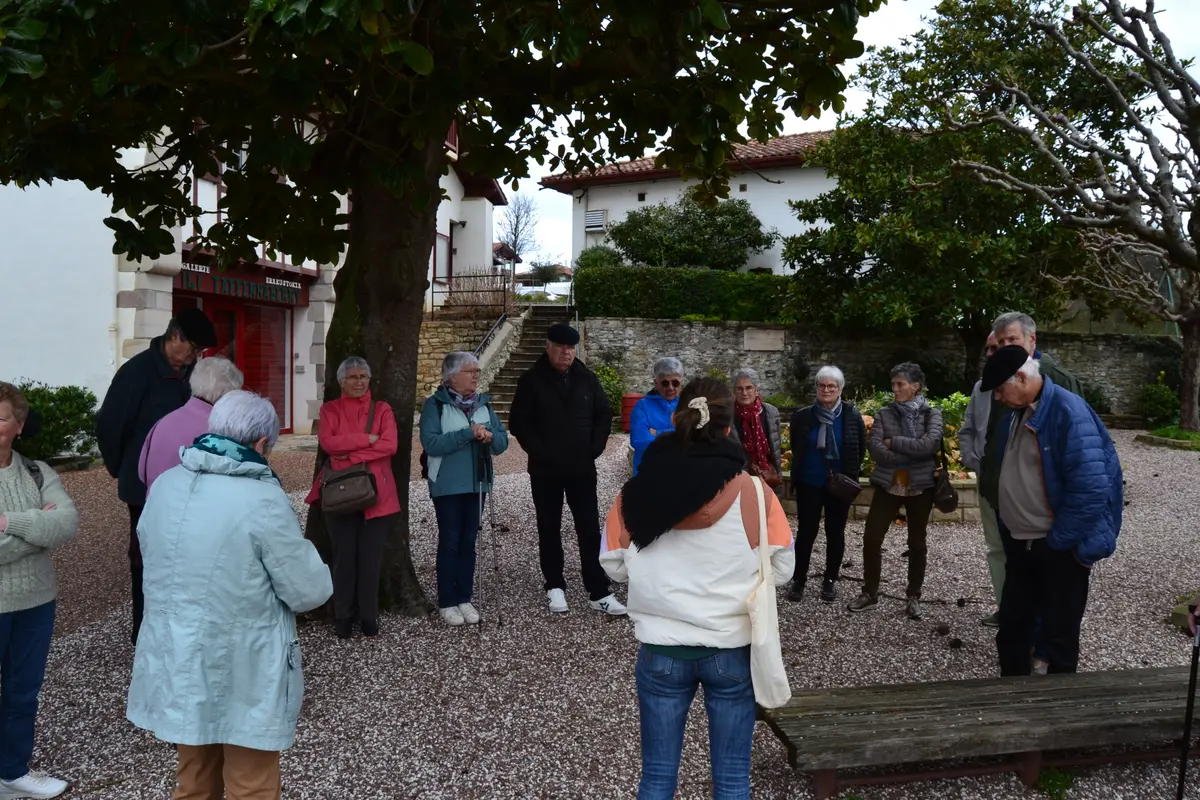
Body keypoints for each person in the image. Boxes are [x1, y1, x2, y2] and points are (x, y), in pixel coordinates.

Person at [127, 390, 332, 800]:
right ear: (261, 444)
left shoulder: (166, 484)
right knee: (251, 783)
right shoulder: (261, 498)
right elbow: (308, 590)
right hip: (244, 661)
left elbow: (150, 553)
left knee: (194, 775)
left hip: (178, 654)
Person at [599, 377, 795, 800]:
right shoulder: (755, 494)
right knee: (731, 780)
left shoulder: (634, 492)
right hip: (729, 648)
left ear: (677, 419)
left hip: (662, 649)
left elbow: (613, 566)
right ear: (729, 428)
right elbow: (781, 568)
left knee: (656, 778)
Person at [981, 346, 1122, 676]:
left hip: (1055, 547)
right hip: (1022, 542)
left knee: (1059, 637)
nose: (999, 398)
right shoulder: (1019, 410)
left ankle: (1061, 715)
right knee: (1013, 629)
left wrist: (1058, 543)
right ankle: (1012, 706)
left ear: (1021, 376)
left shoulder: (1068, 412)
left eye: (1001, 389)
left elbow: (1091, 489)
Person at [96, 307, 217, 645]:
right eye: (192, 348)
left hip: (191, 481)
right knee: (146, 556)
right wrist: (123, 469)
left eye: (199, 352)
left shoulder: (193, 373)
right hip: (145, 484)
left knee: (188, 553)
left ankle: (180, 628)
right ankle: (144, 629)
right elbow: (109, 426)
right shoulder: (136, 372)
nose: (194, 356)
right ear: (173, 336)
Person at [508, 323, 624, 616]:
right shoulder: (531, 381)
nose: (566, 353)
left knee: (588, 528)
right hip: (545, 469)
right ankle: (554, 585)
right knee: (549, 527)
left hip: (582, 468)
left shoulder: (587, 379)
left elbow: (603, 415)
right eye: (561, 347)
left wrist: (594, 449)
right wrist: (541, 452)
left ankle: (597, 590)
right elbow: (519, 423)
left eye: (571, 348)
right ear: (548, 347)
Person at [0, 383, 79, 800]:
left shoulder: (38, 472)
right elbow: (48, 528)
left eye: (0, 417)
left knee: (22, 691)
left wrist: (8, 523)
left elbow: (65, 524)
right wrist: (36, 528)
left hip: (35, 602)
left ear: (19, 424)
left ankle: (11, 772)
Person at [305, 357, 399, 639]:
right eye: (353, 377)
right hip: (341, 494)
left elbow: (390, 445)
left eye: (363, 377)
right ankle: (343, 616)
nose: (359, 382)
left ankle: (369, 616)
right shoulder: (330, 410)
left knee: (370, 561)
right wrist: (368, 440)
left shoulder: (382, 410)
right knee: (344, 558)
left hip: (378, 496)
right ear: (342, 381)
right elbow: (330, 444)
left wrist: (352, 455)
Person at [419, 351, 509, 627]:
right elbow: (431, 443)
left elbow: (503, 443)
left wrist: (491, 436)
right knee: (450, 540)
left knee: (469, 541)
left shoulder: (484, 404)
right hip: (447, 484)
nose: (475, 376)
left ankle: (465, 597)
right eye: (470, 371)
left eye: (476, 371)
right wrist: (468, 433)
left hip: (478, 482)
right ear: (452, 376)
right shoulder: (434, 406)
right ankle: (447, 600)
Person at [848, 363, 943, 620]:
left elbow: (930, 445)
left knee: (917, 543)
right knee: (872, 537)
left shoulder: (931, 414)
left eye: (900, 384)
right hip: (889, 484)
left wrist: (896, 443)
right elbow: (877, 449)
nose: (895, 389)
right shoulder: (884, 413)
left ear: (916, 387)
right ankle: (870, 592)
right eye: (893, 384)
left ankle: (913, 596)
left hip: (920, 486)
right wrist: (911, 450)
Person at [787, 366, 866, 604]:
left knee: (835, 532)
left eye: (832, 386)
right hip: (809, 482)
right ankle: (799, 579)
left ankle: (831, 579)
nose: (826, 390)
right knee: (806, 532)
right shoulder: (803, 416)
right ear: (816, 388)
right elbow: (797, 446)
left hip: (839, 485)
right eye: (822, 385)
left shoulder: (852, 416)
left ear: (840, 389)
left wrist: (849, 474)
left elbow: (859, 448)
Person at [138, 357, 244, 493]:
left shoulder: (163, 422)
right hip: (191, 511)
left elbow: (142, 473)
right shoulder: (220, 431)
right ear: (226, 394)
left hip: (155, 507)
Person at [958, 333, 1002, 627]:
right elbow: (968, 429)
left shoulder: (1039, 384)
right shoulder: (981, 387)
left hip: (1021, 487)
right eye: (988, 347)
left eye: (996, 347)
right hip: (988, 482)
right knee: (996, 548)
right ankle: (1005, 607)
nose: (989, 352)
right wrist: (975, 462)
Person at [731, 367, 784, 493]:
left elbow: (776, 446)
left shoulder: (770, 412)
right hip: (738, 479)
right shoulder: (728, 416)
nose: (744, 393)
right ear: (734, 391)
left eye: (748, 388)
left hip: (767, 477)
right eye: (739, 388)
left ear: (756, 389)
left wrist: (778, 473)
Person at [628, 357, 683, 476]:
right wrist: (678, 434)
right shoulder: (642, 406)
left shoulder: (686, 406)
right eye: (665, 383)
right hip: (648, 475)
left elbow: (694, 437)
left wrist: (658, 433)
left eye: (675, 383)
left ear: (681, 382)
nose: (670, 388)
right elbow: (639, 440)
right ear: (656, 383)